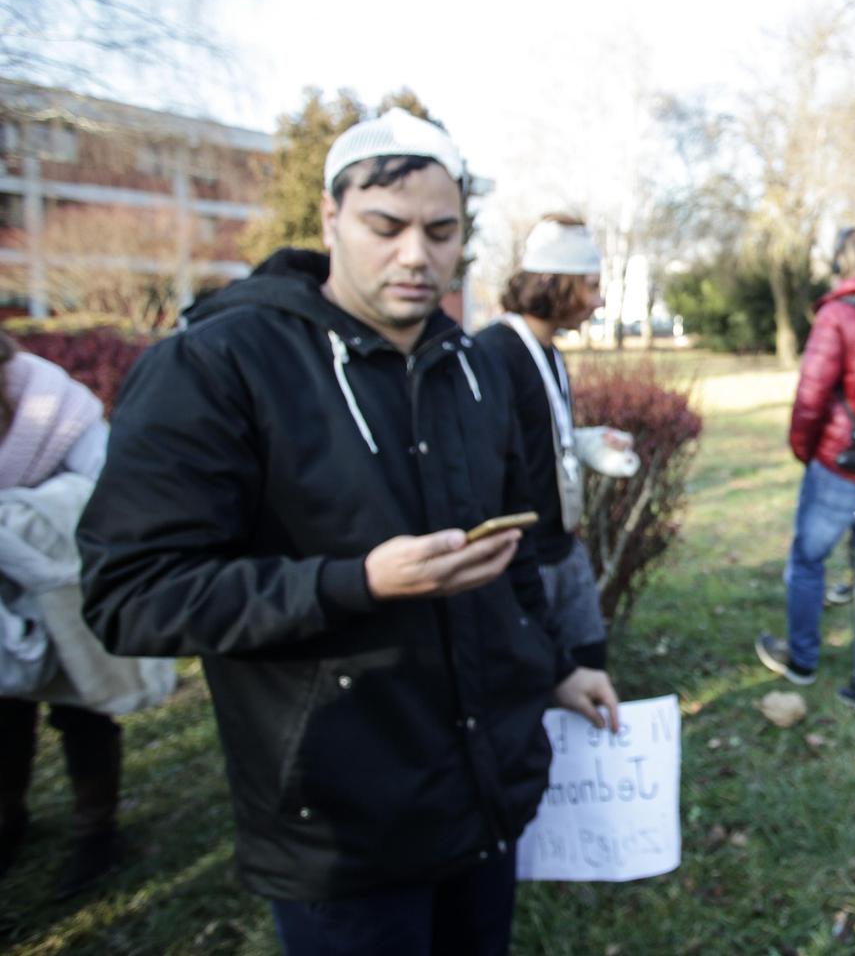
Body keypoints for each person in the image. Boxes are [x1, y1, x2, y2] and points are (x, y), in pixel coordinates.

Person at [76, 109, 616, 956]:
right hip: (340, 826)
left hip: (483, 798)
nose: (417, 256)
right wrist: (356, 582)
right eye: (385, 227)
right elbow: (132, 593)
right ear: (330, 219)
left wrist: (555, 667)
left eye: (441, 232)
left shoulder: (474, 366)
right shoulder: (218, 363)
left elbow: (507, 558)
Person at [0, 333, 173, 899]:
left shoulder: (53, 405)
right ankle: (8, 819)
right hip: (7, 587)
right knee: (5, 710)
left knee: (83, 707)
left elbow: (106, 485)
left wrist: (24, 516)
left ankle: (96, 831)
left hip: (68, 576)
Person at [473, 215, 626, 684]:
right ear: (554, 284)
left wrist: (588, 441)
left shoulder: (550, 352)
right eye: (590, 286)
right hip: (523, 561)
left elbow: (536, 436)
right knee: (534, 680)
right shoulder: (493, 353)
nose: (598, 301)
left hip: (563, 549)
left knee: (589, 661)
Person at [755, 226, 855, 708]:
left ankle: (801, 659)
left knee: (807, 560)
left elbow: (811, 396)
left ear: (840, 262)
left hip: (838, 465)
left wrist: (805, 451)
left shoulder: (836, 314)